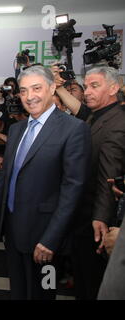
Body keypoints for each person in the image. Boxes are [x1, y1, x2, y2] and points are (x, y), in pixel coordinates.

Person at [0, 65, 91, 300]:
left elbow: (73, 190)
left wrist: (51, 240)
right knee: (19, 291)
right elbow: (7, 177)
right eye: (23, 91)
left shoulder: (74, 129)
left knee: (44, 291)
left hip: (46, 238)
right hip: (13, 229)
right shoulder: (18, 129)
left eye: (36, 88)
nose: (30, 97)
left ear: (52, 88)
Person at [71, 66, 125, 300]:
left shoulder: (117, 123)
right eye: (86, 87)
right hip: (82, 213)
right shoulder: (97, 115)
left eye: (95, 86)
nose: (87, 92)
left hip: (95, 219)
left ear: (114, 88)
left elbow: (108, 174)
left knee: (93, 282)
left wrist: (100, 217)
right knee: (83, 278)